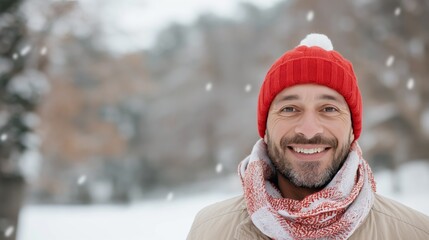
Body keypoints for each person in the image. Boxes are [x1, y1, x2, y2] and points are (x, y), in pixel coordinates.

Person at [187, 33, 429, 240]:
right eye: (290, 109)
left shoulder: (414, 232)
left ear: (353, 129)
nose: (309, 129)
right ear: (266, 129)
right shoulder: (210, 231)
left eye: (329, 109)